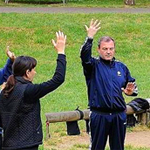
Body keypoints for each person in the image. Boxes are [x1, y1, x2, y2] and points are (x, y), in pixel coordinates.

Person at [0, 31, 67, 150]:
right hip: (26, 146)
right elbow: (58, 79)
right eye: (34, 70)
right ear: (27, 72)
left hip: (7, 144)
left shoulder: (5, 89)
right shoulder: (29, 91)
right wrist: (61, 52)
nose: (35, 73)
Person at [80, 19, 138, 150]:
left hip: (119, 115)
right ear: (99, 49)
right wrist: (89, 38)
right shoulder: (93, 66)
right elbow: (84, 56)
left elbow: (133, 86)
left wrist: (131, 92)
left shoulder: (122, 67)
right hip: (99, 115)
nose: (108, 52)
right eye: (105, 49)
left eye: (111, 49)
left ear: (114, 49)